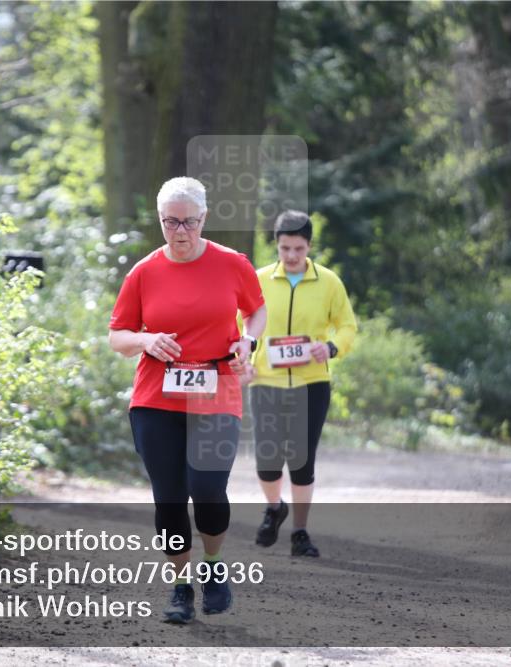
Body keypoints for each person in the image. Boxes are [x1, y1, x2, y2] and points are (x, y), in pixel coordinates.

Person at [108, 176, 267, 624]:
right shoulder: (143, 272)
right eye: (170, 222)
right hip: (156, 399)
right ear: (160, 220)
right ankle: (180, 586)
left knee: (208, 488)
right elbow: (116, 337)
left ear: (205, 218)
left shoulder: (232, 264)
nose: (180, 232)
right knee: (171, 499)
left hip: (216, 392)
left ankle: (214, 568)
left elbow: (256, 310)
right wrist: (146, 339)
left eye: (189, 222)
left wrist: (248, 342)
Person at [249, 210, 356, 557]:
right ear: (276, 246)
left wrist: (330, 347)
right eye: (284, 248)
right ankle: (273, 507)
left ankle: (300, 532)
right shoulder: (258, 279)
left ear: (309, 245)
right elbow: (238, 325)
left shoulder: (329, 282)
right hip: (265, 380)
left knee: (301, 460)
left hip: (311, 383)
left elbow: (347, 326)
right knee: (267, 460)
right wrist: (243, 362)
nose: (292, 256)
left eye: (298, 248)